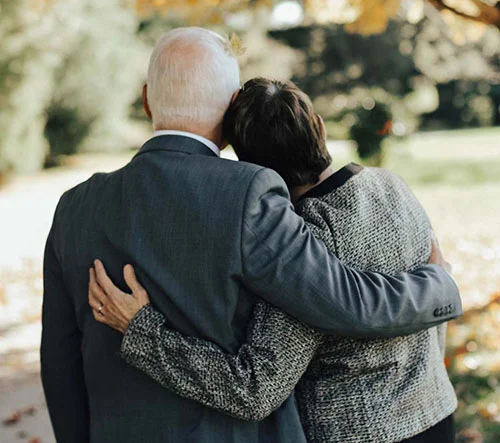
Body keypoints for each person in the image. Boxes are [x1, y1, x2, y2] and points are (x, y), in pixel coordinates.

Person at [42, 28, 460, 443]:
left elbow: (59, 360)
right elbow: (346, 302)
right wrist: (439, 284)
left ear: (147, 96)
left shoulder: (73, 207)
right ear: (227, 110)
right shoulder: (253, 195)